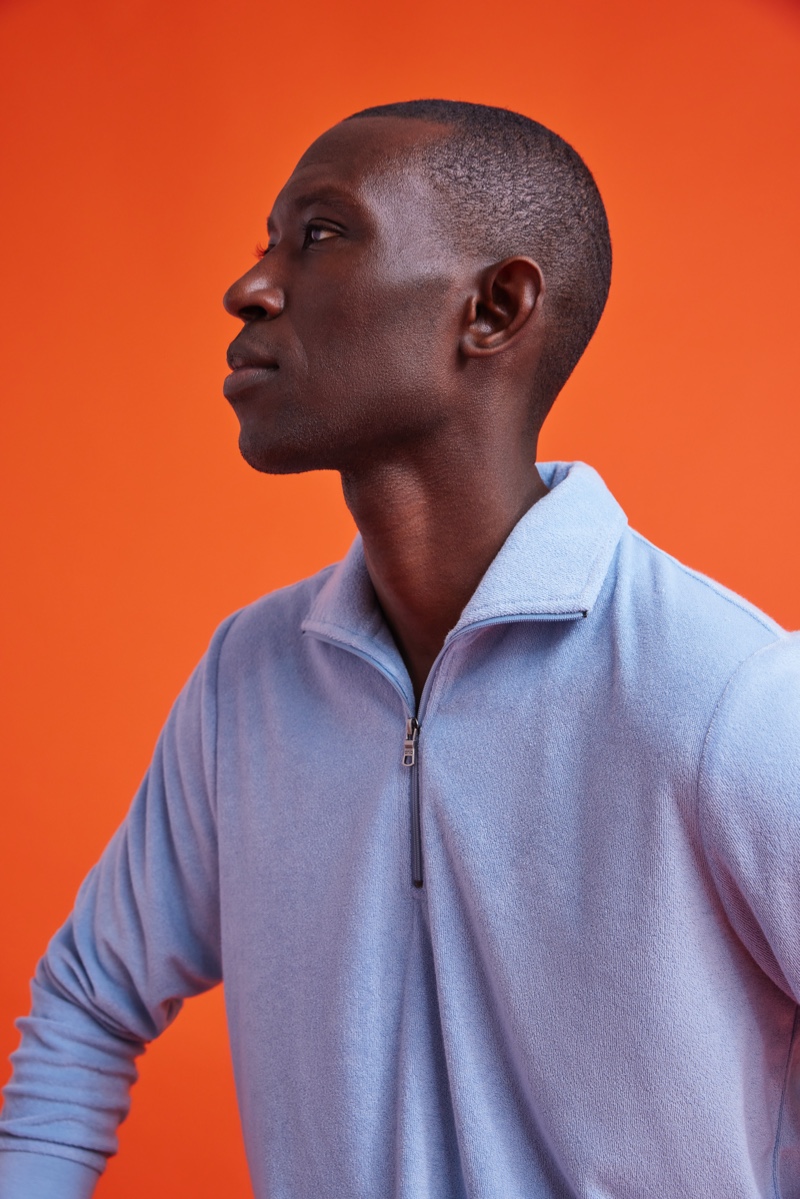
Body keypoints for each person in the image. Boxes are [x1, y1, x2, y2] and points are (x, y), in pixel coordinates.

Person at [1, 98, 799, 1199]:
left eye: (320, 235)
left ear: (493, 308)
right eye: (266, 241)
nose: (251, 287)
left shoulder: (727, 694)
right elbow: (88, 1001)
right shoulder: (249, 679)